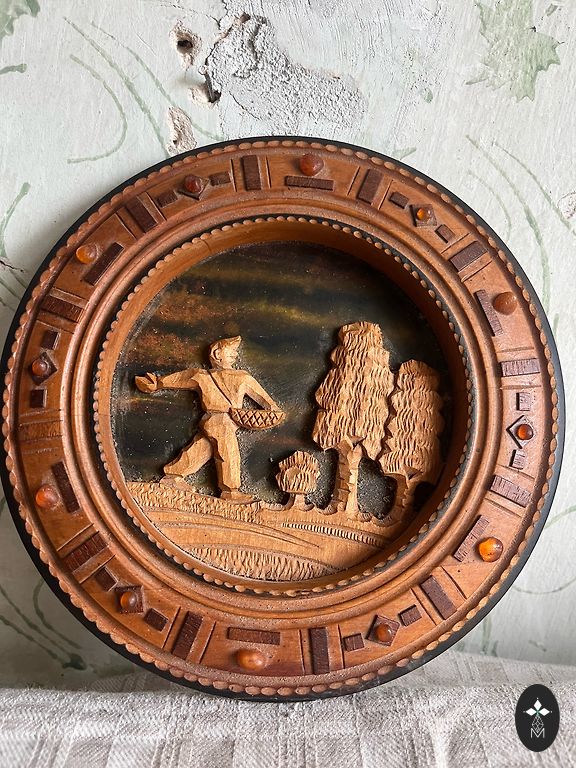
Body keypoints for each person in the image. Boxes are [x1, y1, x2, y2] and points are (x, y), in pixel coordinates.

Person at [135, 336, 280, 502]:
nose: (235, 354)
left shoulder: (242, 377)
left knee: (203, 449)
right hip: (220, 420)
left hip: (223, 421)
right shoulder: (202, 376)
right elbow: (181, 378)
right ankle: (230, 491)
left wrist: (273, 408)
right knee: (228, 452)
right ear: (217, 354)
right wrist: (158, 383)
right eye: (231, 351)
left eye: (235, 352)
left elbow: (264, 399)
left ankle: (173, 475)